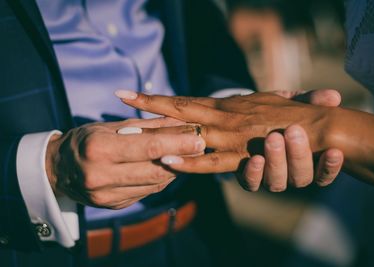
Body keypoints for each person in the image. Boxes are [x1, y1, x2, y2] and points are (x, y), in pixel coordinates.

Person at [0, 1, 343, 267]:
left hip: (199, 229)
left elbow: (195, 20)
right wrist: (46, 169)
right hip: (41, 250)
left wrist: (232, 110)